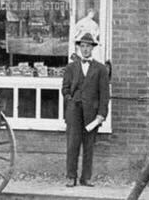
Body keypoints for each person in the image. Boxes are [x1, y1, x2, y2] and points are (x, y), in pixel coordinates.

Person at [61, 33, 110, 187]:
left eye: (88, 46)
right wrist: (69, 100)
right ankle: (71, 176)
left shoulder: (101, 69)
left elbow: (104, 94)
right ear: (79, 47)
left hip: (92, 113)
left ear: (93, 48)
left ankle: (86, 177)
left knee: (89, 146)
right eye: (82, 46)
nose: (85, 49)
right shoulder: (71, 67)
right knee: (72, 144)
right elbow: (65, 88)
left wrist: (102, 114)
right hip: (73, 112)